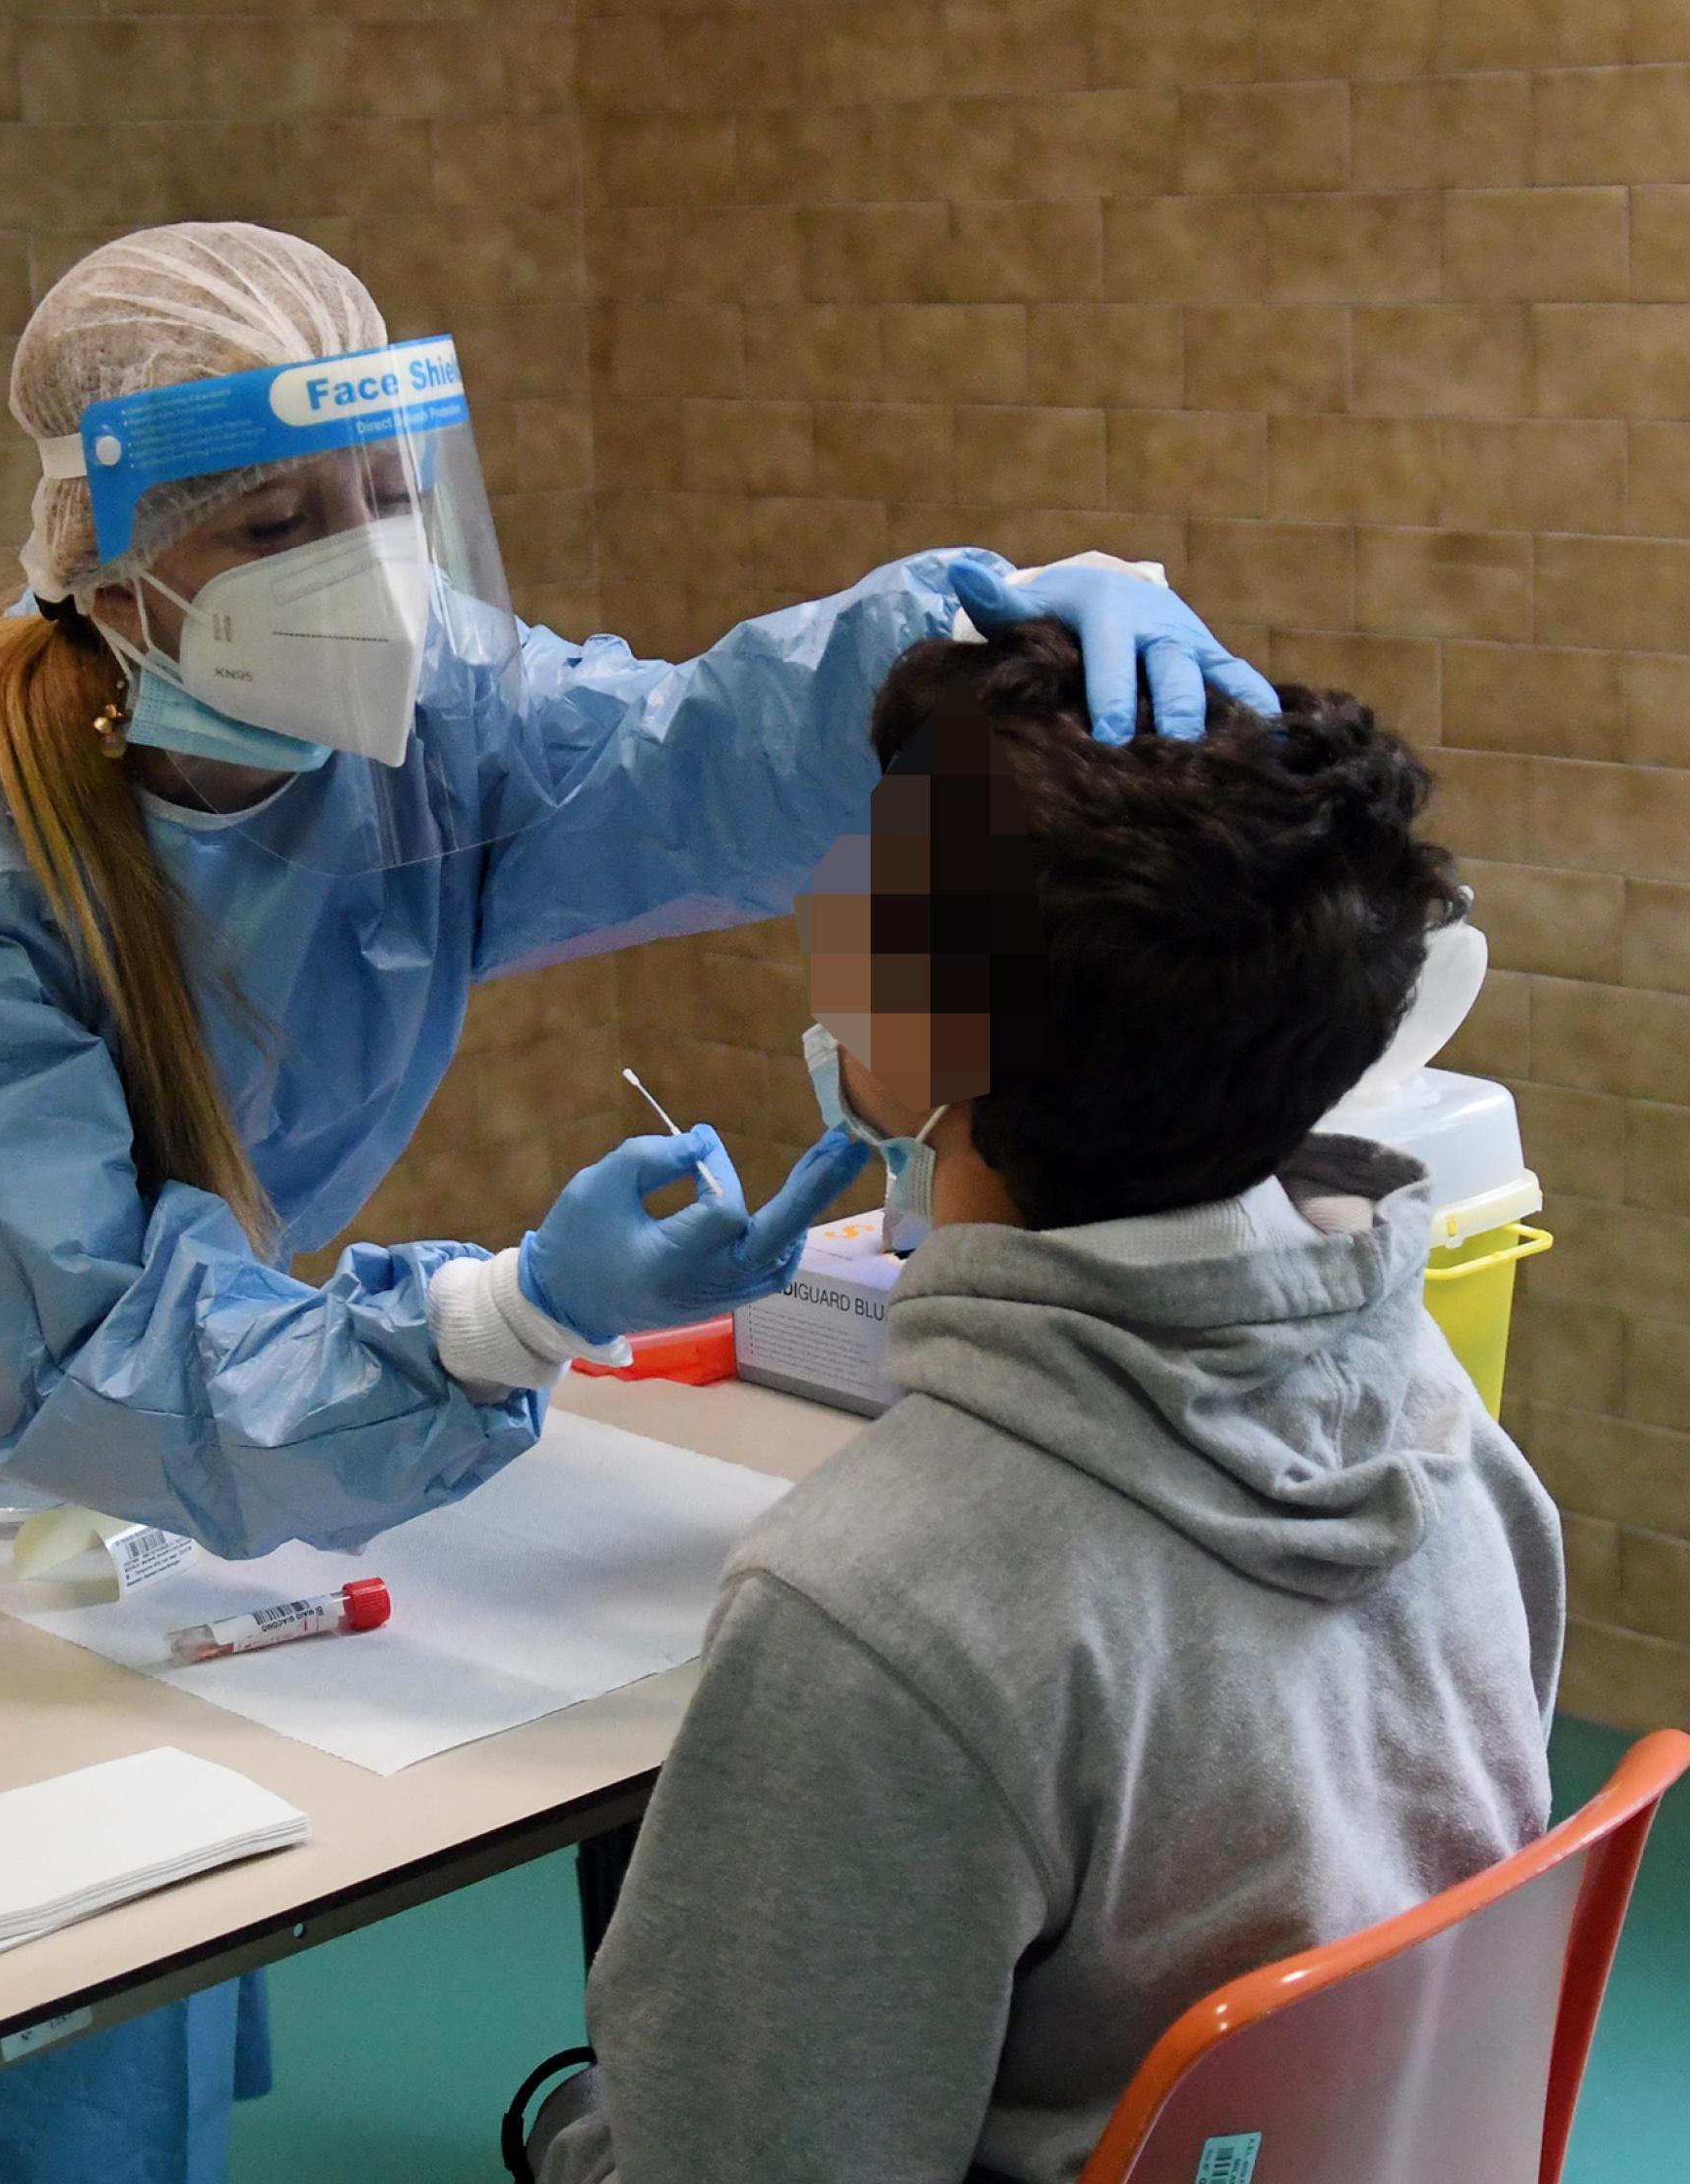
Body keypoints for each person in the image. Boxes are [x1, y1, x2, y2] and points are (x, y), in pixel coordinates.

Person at [0, 220, 1275, 2184]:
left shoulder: (425, 725)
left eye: (392, 495)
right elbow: (76, 1349)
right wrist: (498, 1319)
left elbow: (690, 758)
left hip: (133, 1451)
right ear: (104, 556)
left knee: (130, 1955)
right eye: (273, 521)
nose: (365, 567)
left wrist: (956, 637)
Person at [514, 619, 1566, 2184]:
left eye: (858, 883)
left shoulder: (878, 1610)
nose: (825, 908)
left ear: (936, 1033)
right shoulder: (1437, 1413)